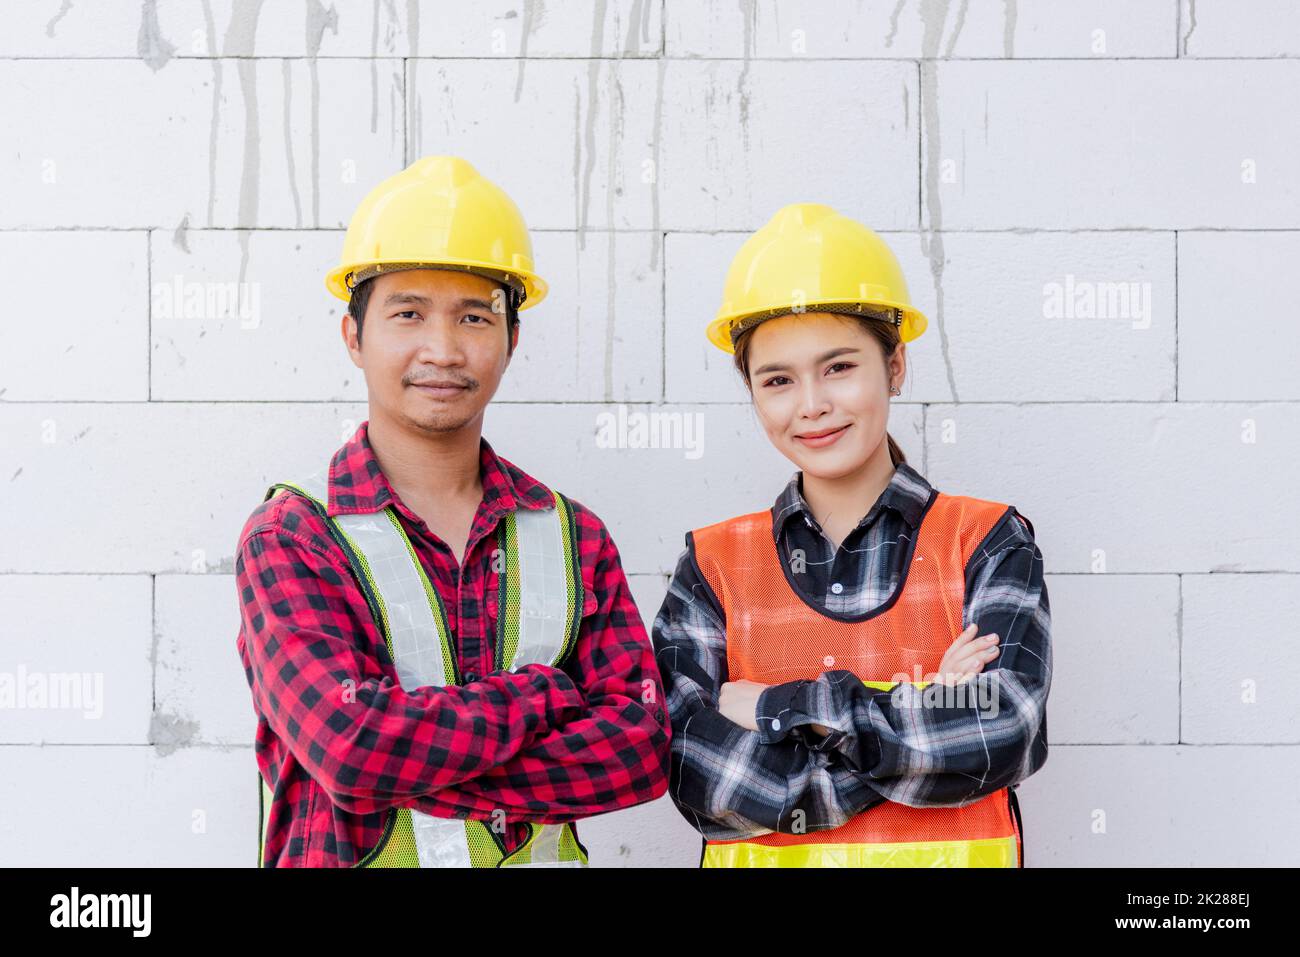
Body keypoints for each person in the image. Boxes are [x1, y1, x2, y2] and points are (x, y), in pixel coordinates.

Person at [235, 156, 670, 867]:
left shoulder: (572, 536)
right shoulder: (294, 535)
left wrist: (422, 770)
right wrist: (542, 696)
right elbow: (351, 749)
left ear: (511, 340)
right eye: (408, 313)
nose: (442, 349)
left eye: (474, 316)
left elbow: (639, 750)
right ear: (354, 336)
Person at [652, 203, 1051, 867]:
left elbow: (1000, 731)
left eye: (839, 367)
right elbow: (696, 771)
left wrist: (782, 707)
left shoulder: (986, 540)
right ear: (752, 392)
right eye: (778, 380)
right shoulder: (712, 564)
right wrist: (919, 712)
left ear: (895, 365)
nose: (811, 403)